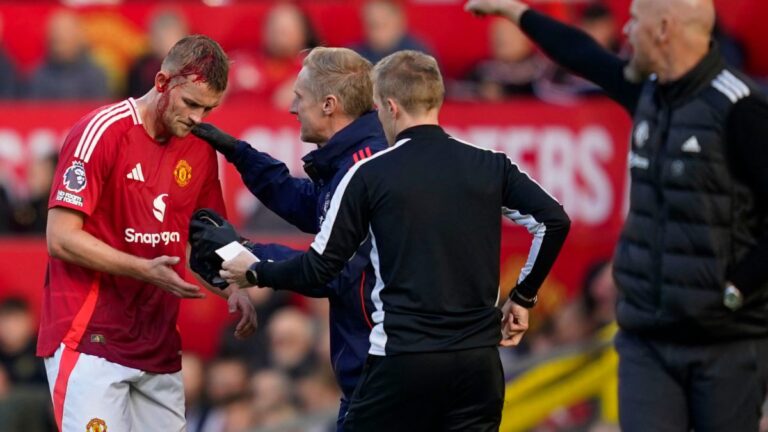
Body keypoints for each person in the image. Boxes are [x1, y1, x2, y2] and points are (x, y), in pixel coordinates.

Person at [220, 50, 570, 431]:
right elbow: (554, 222)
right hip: (478, 365)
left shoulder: (369, 175)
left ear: (390, 107)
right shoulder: (490, 164)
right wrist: (523, 296)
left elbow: (320, 268)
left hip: (404, 360)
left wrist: (254, 271)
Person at [465, 0, 768, 430]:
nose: (626, 30)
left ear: (664, 28)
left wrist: (737, 289)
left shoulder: (742, 108)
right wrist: (516, 13)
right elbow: (583, 54)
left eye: (635, 20)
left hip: (724, 343)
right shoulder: (646, 90)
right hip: (646, 336)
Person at [38, 35, 256, 432]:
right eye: (191, 103)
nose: (198, 118)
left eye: (208, 109)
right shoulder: (101, 130)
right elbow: (61, 237)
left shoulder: (200, 150)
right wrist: (143, 269)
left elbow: (202, 243)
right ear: (161, 83)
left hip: (158, 348)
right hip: (90, 340)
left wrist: (234, 289)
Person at [191, 46, 387, 430]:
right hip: (373, 374)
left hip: (380, 377)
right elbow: (311, 205)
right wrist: (240, 154)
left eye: (300, 97)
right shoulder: (354, 162)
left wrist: (247, 254)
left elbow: (334, 268)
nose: (292, 108)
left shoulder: (363, 171)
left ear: (329, 104)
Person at [27, 10, 109, 100]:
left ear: (79, 36)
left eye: (66, 32)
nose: (59, 37)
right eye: (56, 33)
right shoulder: (37, 77)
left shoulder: (96, 76)